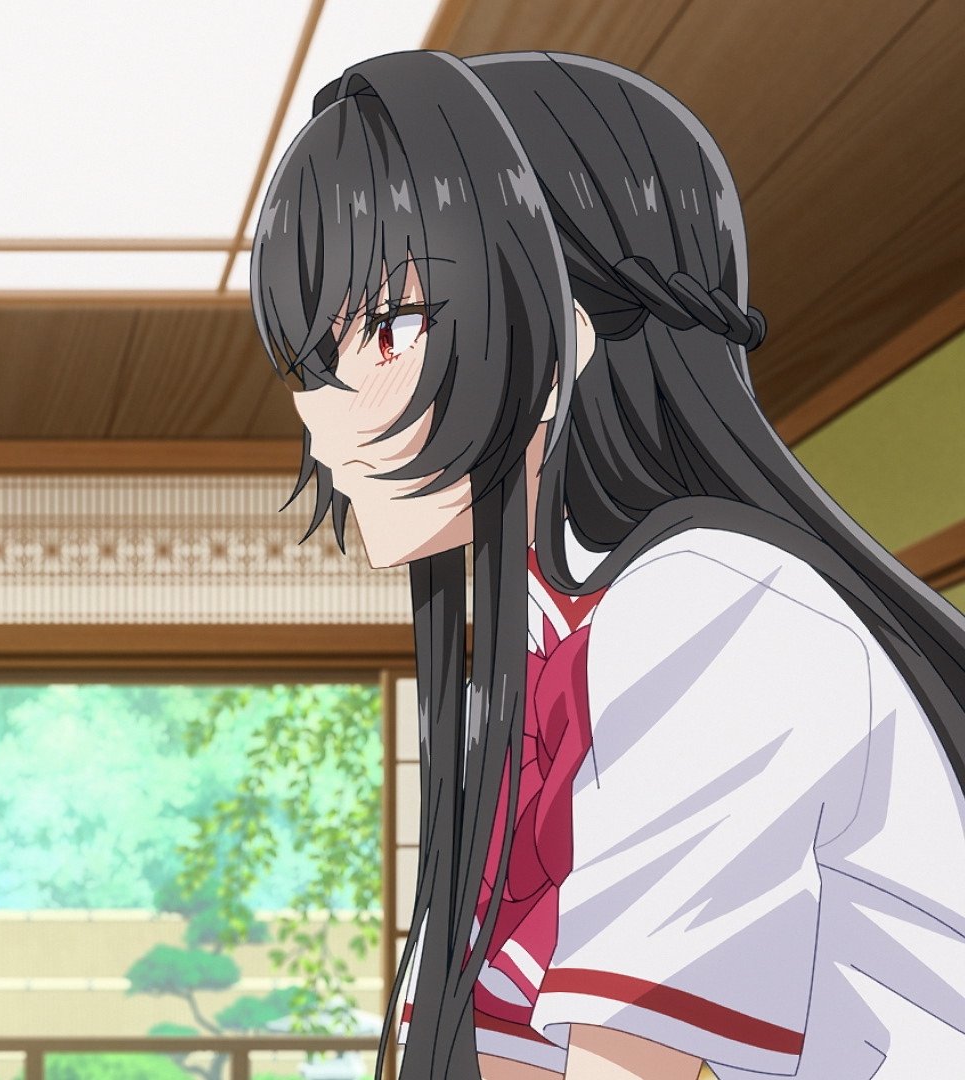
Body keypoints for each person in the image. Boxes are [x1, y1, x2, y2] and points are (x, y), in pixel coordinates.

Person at [251, 49, 965, 1080]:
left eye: (394, 326)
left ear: (566, 337)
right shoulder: (551, 641)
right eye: (317, 358)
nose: (323, 420)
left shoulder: (720, 611)